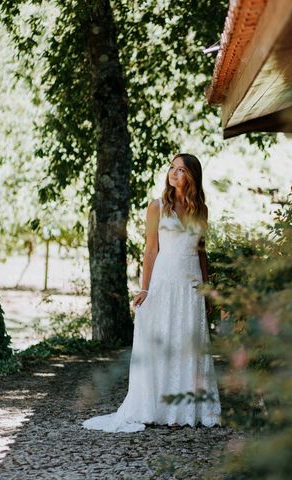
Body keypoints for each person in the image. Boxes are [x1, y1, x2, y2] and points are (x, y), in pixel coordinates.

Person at [82, 153, 221, 432]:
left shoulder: (200, 210)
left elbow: (202, 252)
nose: (173, 173)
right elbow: (150, 250)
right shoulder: (157, 207)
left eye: (181, 169)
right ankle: (157, 407)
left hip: (191, 285)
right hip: (164, 281)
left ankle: (185, 411)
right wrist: (145, 288)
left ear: (192, 176)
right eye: (171, 167)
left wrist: (207, 290)